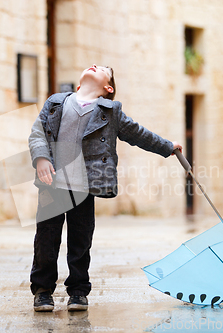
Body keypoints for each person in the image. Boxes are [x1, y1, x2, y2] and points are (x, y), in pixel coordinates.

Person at [28, 64, 183, 312]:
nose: (94, 66)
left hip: (85, 187)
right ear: (79, 84)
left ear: (107, 88)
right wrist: (42, 158)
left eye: (102, 69)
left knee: (80, 242)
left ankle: (78, 291)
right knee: (46, 240)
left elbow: (138, 134)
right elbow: (37, 133)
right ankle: (43, 291)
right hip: (52, 184)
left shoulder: (110, 112)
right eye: (93, 66)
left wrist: (167, 146)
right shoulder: (56, 102)